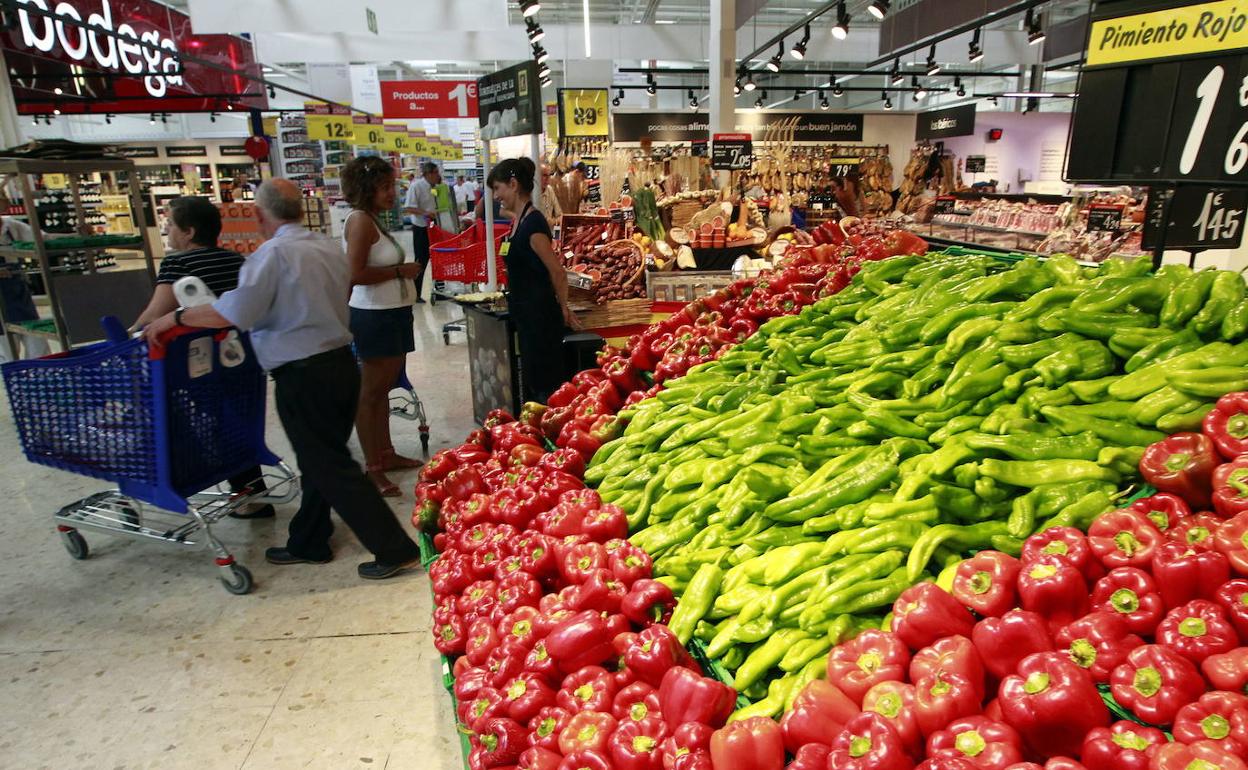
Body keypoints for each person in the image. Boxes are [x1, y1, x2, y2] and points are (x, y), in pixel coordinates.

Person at [142, 179, 421, 580]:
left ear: (259, 215)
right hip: (341, 362)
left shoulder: (272, 256)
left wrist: (177, 317)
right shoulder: (326, 247)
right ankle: (308, 541)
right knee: (318, 458)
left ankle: (394, 548)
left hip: (304, 372)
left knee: (329, 464)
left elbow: (232, 313)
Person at [132, 197, 273, 517]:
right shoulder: (237, 261)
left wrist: (130, 335)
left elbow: (155, 315)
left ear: (189, 232)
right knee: (238, 421)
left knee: (204, 423)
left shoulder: (177, 264)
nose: (167, 231)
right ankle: (252, 494)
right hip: (242, 359)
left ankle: (229, 492)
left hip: (197, 365)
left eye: (170, 225)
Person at [340, 157, 423, 497]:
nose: (393, 193)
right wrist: (401, 271)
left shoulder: (374, 220)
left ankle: (386, 454)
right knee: (370, 394)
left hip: (392, 314)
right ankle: (373, 468)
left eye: (393, 186)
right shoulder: (360, 221)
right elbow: (355, 274)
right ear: (367, 188)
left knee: (385, 389)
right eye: (386, 187)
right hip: (375, 317)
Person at [487, 157, 581, 403]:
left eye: (498, 188)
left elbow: (557, 271)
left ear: (514, 184)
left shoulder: (534, 224)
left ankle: (553, 428)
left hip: (540, 317)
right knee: (534, 379)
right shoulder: (519, 220)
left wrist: (563, 308)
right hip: (527, 315)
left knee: (546, 385)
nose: (496, 195)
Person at [0, 212, 52, 362]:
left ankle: (41, 379)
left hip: (18, 295)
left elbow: (44, 239)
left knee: (38, 345)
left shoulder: (11, 226)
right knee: (7, 353)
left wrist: (75, 234)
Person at [402, 162, 439, 303]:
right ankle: (416, 293)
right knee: (421, 260)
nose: (438, 175)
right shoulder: (416, 186)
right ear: (428, 173)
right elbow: (409, 208)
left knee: (438, 258)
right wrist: (426, 213)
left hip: (434, 227)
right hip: (421, 227)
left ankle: (438, 291)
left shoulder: (435, 187)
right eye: (435, 172)